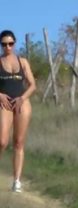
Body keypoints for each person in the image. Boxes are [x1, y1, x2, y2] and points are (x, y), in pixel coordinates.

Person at [0, 30, 36, 192]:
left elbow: (32, 85)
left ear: (15, 43)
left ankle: (17, 181)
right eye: (4, 44)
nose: (7, 47)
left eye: (10, 43)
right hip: (5, 104)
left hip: (22, 102)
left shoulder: (23, 62)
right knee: (2, 141)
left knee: (19, 142)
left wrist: (23, 98)